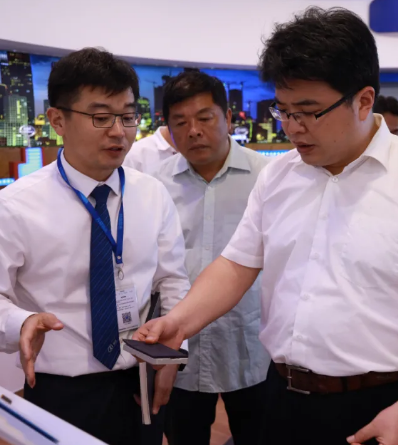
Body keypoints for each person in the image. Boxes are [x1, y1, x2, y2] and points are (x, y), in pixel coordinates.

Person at [133, 7, 398, 445]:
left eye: (308, 112)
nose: (293, 128)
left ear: (364, 100)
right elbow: (236, 265)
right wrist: (179, 322)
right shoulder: (278, 176)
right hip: (279, 394)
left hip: (381, 403)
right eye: (284, 111)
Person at [0, 48, 191, 445]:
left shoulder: (152, 194)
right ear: (57, 121)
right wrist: (20, 322)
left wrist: (174, 353)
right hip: (59, 391)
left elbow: (172, 281)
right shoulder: (15, 206)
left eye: (128, 116)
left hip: (140, 378)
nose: (119, 132)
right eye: (101, 117)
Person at [153, 71, 272, 445]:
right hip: (180, 353)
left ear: (228, 118)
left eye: (205, 118)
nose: (194, 131)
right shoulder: (154, 186)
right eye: (180, 122)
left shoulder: (268, 178)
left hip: (253, 349)